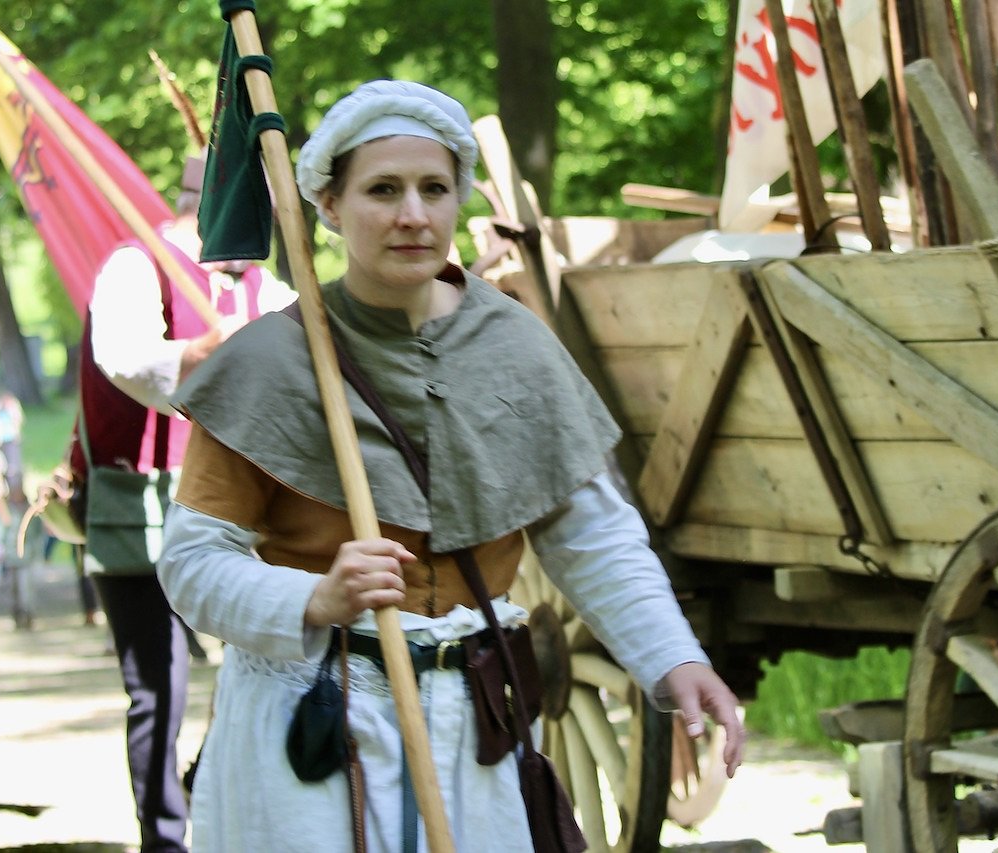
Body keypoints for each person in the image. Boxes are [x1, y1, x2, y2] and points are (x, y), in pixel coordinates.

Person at [157, 79, 746, 852]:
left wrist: (674, 658)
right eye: (383, 190)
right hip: (313, 730)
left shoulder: (519, 345)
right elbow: (192, 564)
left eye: (434, 189)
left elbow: (595, 536)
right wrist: (315, 596)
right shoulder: (269, 361)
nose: (413, 214)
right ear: (329, 204)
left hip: (477, 725)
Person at [71, 150, 294, 853]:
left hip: (239, 511)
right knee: (158, 690)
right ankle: (164, 841)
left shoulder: (266, 290)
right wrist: (198, 352)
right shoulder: (136, 265)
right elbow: (124, 357)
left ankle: (209, 791)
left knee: (266, 665)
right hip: (137, 505)